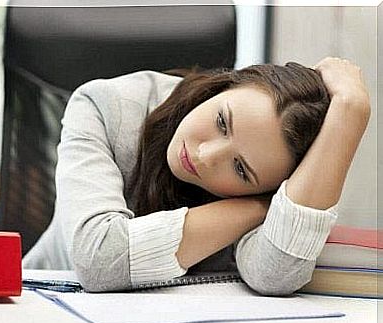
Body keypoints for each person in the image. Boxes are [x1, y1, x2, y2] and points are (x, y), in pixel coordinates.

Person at [23, 57, 371, 294]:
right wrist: (259, 207)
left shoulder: (272, 173)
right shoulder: (104, 105)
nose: (204, 156)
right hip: (47, 303)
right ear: (222, 86)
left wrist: (350, 114)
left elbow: (273, 274)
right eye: (222, 122)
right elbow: (99, 259)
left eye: (240, 169)